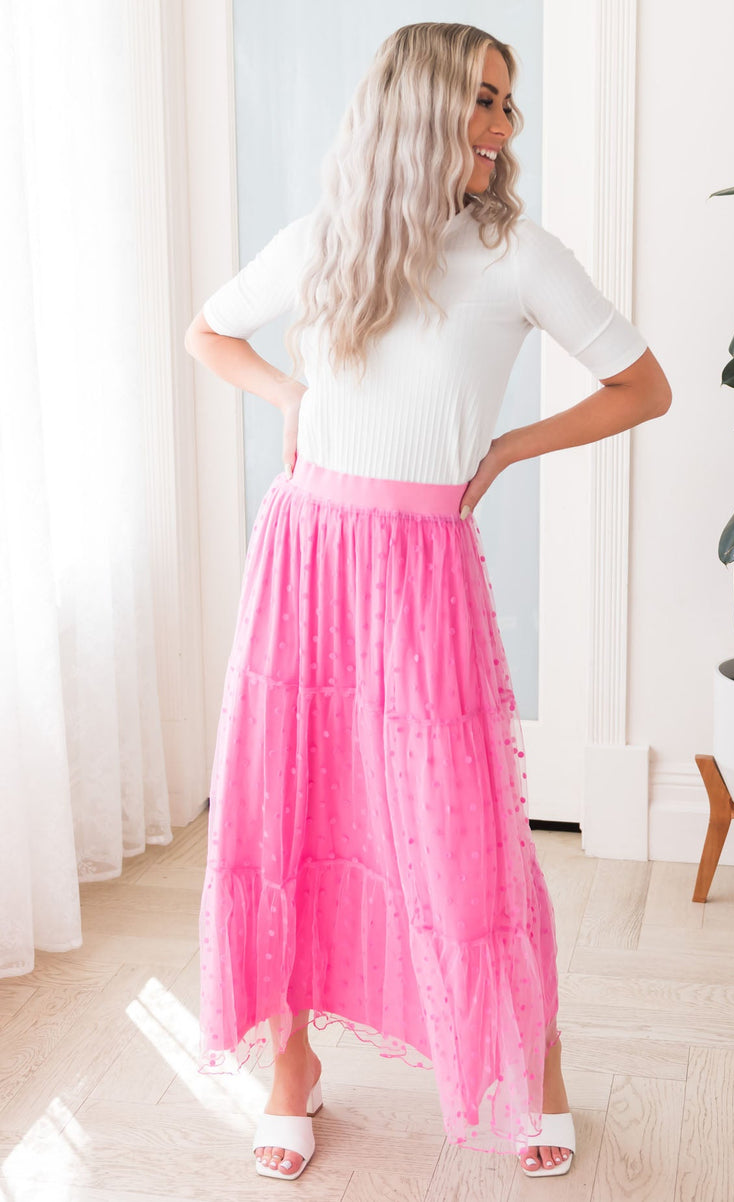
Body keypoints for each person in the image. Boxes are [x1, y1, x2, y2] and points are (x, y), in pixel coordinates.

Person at [184, 20, 671, 1183]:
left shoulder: (517, 255)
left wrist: (504, 448)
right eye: (480, 99)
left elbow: (642, 385)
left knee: (464, 831)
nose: (500, 125)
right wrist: (288, 395)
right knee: (290, 811)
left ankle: (533, 1061)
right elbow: (206, 332)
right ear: (414, 106)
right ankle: (290, 1066)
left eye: (506, 102)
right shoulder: (324, 240)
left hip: (418, 569)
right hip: (304, 553)